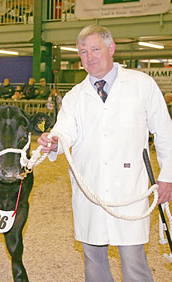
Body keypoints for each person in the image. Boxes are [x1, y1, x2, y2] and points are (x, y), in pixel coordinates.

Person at [38, 24, 172, 281]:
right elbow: (65, 129)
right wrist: (54, 140)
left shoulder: (141, 84)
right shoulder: (75, 96)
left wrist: (168, 176)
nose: (89, 57)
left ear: (111, 48)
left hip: (130, 190)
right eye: (82, 52)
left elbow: (165, 132)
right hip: (91, 189)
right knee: (94, 262)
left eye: (95, 49)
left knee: (134, 264)